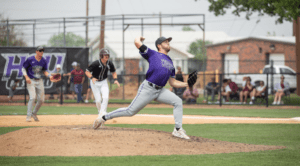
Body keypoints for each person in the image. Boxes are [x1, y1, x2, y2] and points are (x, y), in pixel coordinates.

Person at [93, 36, 190, 139]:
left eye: (168, 42)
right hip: (148, 88)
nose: (168, 43)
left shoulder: (170, 62)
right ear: (159, 45)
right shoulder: (153, 54)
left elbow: (172, 82)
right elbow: (137, 42)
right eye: (165, 42)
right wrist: (139, 39)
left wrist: (186, 84)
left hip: (160, 90)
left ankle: (178, 129)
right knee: (130, 111)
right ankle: (103, 117)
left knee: (178, 102)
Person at [22, 46, 57, 122]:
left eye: (42, 51)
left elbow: (44, 71)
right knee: (32, 97)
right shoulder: (30, 59)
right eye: (40, 51)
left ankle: (34, 113)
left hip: (39, 80)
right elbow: (23, 68)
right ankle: (28, 116)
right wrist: (26, 77)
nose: (41, 52)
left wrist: (49, 76)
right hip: (31, 80)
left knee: (41, 100)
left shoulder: (43, 61)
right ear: (36, 51)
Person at [85, 48, 120, 113]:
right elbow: (87, 72)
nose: (107, 56)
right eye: (105, 55)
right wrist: (92, 77)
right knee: (98, 100)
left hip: (103, 82)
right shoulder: (96, 63)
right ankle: (100, 111)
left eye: (108, 55)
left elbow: (113, 72)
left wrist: (115, 79)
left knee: (105, 98)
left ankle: (103, 112)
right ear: (101, 56)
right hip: (95, 82)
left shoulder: (110, 63)